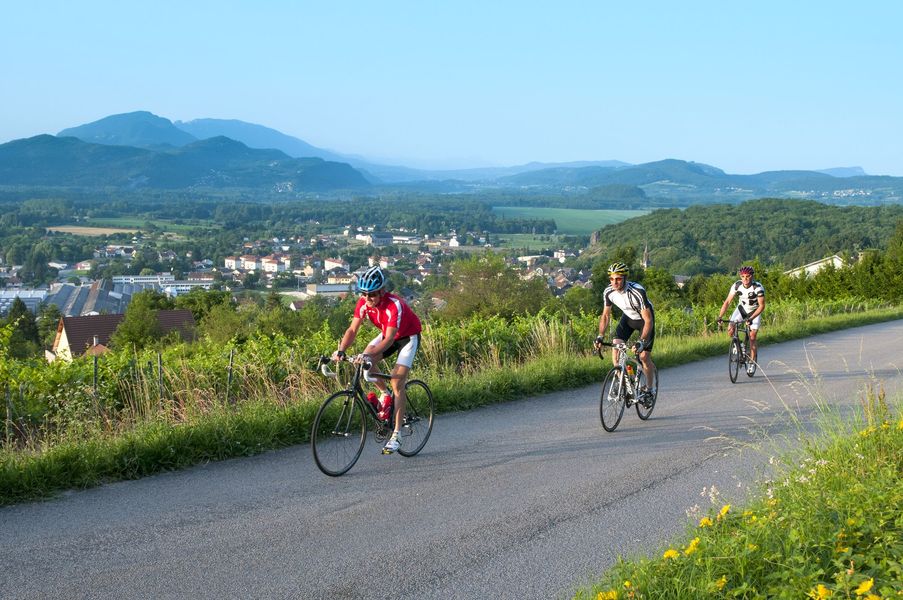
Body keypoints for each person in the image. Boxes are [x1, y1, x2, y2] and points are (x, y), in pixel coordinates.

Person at [333, 266, 422, 454]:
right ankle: (384, 393)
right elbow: (352, 330)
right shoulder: (364, 303)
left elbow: (390, 340)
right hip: (388, 335)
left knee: (397, 382)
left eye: (372, 294)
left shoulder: (393, 305)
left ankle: (396, 434)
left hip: (407, 338)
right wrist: (341, 350)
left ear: (382, 291)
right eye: (364, 294)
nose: (367, 298)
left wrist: (367, 354)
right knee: (367, 368)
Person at [593, 262, 657, 404]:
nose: (614, 282)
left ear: (625, 278)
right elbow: (605, 316)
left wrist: (641, 341)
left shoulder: (637, 291)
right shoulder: (608, 292)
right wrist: (600, 336)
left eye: (618, 279)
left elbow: (648, 320)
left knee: (644, 356)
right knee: (616, 348)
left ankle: (649, 390)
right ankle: (620, 380)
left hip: (644, 321)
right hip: (628, 319)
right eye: (612, 279)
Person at [717, 265, 766, 374]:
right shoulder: (737, 285)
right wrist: (720, 317)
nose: (745, 279)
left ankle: (752, 363)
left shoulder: (758, 287)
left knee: (752, 336)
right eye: (743, 276)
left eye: (748, 276)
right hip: (742, 309)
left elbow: (762, 306)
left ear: (752, 276)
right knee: (730, 330)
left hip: (755, 311)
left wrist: (751, 318)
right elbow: (727, 302)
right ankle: (739, 344)